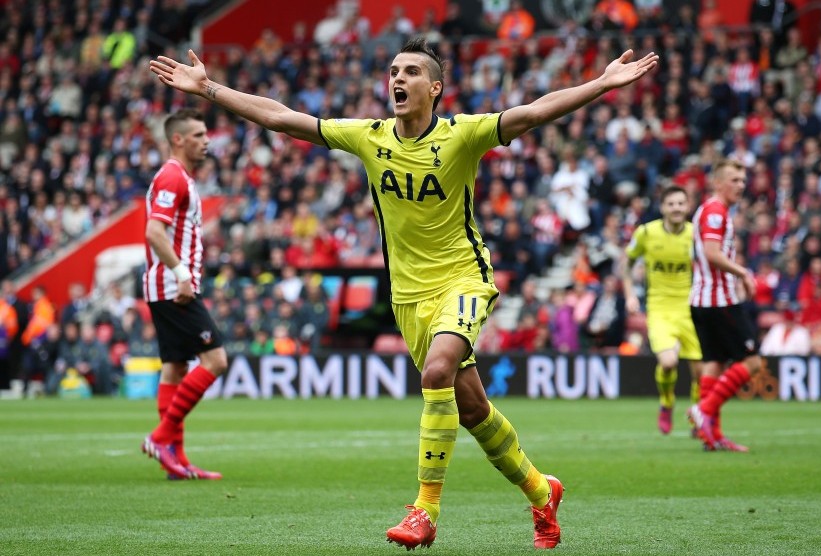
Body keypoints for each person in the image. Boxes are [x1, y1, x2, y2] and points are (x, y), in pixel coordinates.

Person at [150, 37, 658, 550]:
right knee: (472, 408)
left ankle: (424, 510)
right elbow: (281, 117)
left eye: (412, 71)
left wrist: (600, 84)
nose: (398, 78)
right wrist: (209, 88)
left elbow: (531, 113)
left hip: (463, 278)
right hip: (408, 297)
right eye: (394, 70)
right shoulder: (369, 137)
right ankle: (540, 489)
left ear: (435, 88)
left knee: (437, 372)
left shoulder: (463, 134)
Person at [139, 109, 228, 480]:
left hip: (169, 286)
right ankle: (161, 439)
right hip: (174, 287)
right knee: (216, 361)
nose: (206, 140)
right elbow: (154, 232)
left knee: (175, 367)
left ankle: (175, 458)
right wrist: (181, 274)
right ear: (178, 139)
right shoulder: (173, 177)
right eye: (198, 134)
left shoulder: (181, 179)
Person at [687, 159, 763, 453]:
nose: (740, 186)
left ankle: (712, 436)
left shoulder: (710, 210)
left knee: (715, 363)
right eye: (734, 180)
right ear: (718, 183)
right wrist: (743, 272)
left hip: (703, 300)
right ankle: (704, 410)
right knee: (752, 360)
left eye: (743, 181)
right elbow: (711, 253)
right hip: (719, 300)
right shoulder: (716, 211)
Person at [621, 185, 703, 435]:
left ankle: (699, 420)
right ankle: (667, 402)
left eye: (681, 203)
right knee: (668, 362)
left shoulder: (695, 234)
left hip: (691, 307)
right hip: (659, 307)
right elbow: (626, 263)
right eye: (671, 204)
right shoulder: (646, 232)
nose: (676, 208)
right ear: (663, 208)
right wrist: (630, 294)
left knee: (700, 372)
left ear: (687, 206)